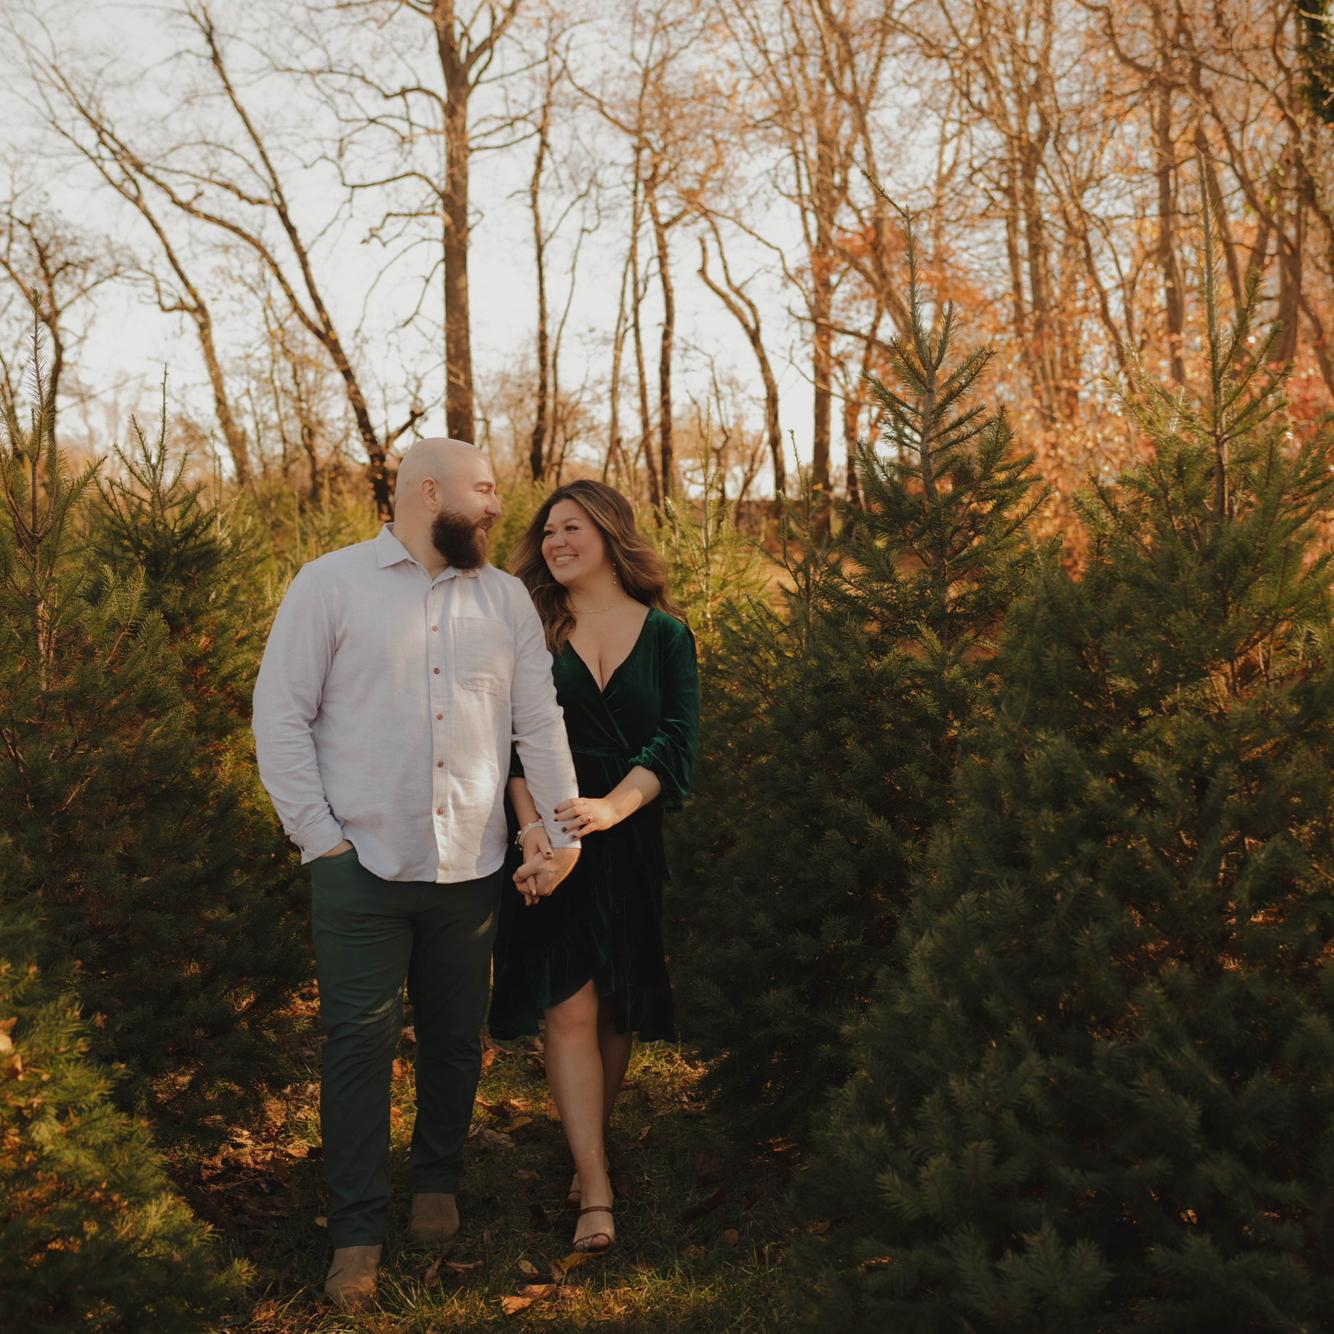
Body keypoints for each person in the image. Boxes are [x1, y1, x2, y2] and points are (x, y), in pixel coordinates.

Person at [252, 438, 580, 1308]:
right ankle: (356, 1230)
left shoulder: (505, 598)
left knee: (454, 1035)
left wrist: (559, 831)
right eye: (485, 489)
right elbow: (280, 714)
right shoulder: (330, 584)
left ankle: (437, 1177)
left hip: (470, 866)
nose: (498, 505)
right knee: (357, 1045)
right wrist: (320, 839)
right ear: (429, 493)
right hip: (358, 865)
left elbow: (538, 721)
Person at [489, 479, 700, 1256]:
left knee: (615, 1009)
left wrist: (612, 808)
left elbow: (674, 742)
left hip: (630, 834)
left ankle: (590, 1151)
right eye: (547, 532)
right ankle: (597, 1191)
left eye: (571, 527)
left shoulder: (667, 635)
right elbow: (509, 744)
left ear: (611, 534)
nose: (555, 542)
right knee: (568, 1009)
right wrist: (534, 836)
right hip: (547, 839)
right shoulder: (532, 629)